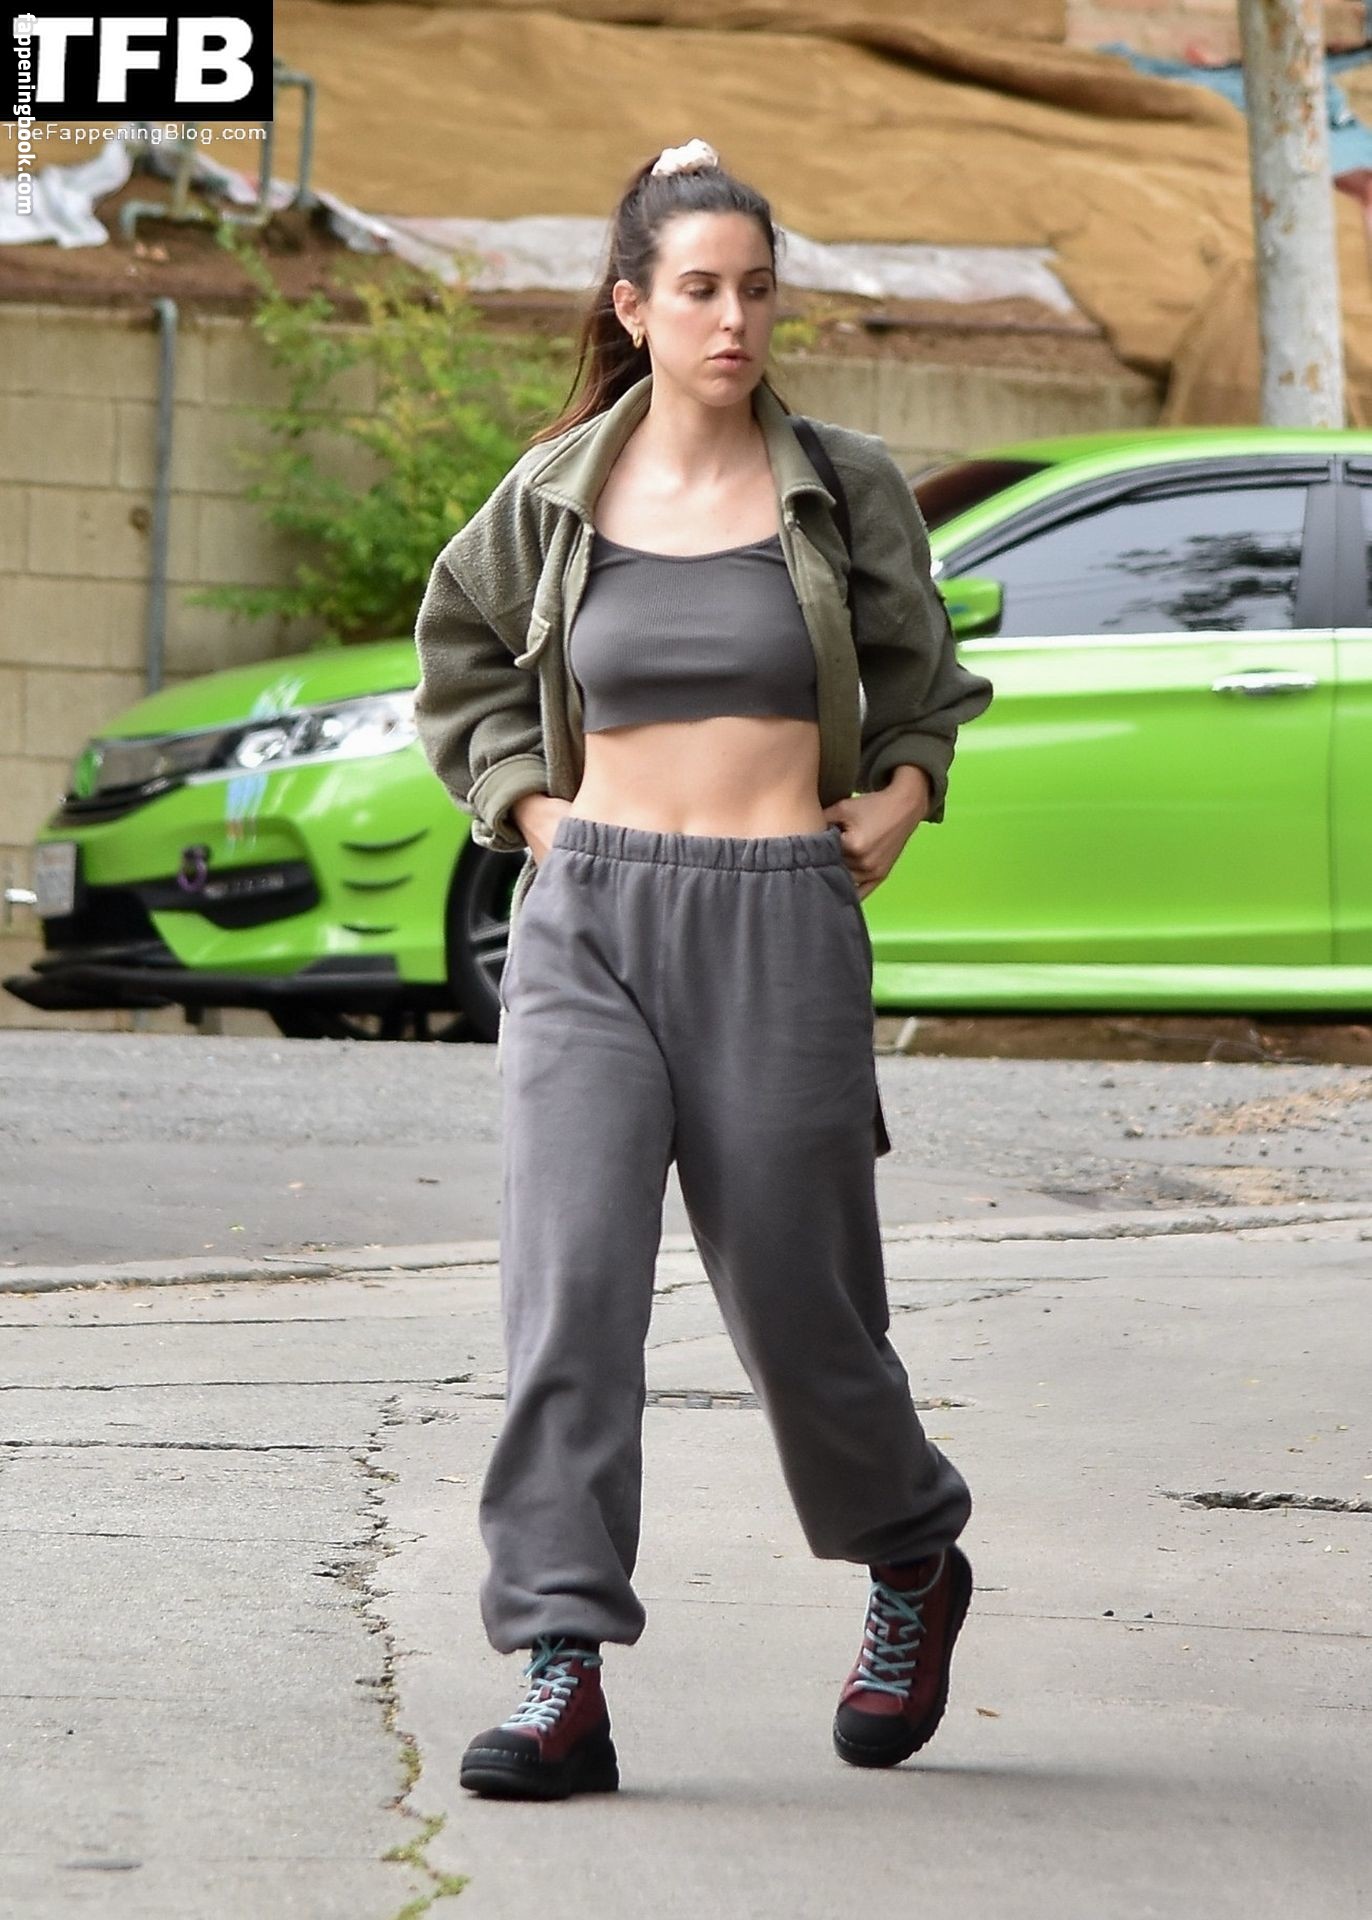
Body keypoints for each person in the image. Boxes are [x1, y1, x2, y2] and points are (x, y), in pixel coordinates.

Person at [412, 137, 995, 1802]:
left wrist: (901, 796)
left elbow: (924, 685)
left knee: (805, 1312)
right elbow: (460, 662)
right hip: (588, 919)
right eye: (699, 291)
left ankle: (910, 1552)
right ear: (634, 306)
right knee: (570, 1299)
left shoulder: (844, 485)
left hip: (779, 920)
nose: (733, 320)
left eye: (756, 290)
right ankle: (560, 1665)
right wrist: (531, 812)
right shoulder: (552, 494)